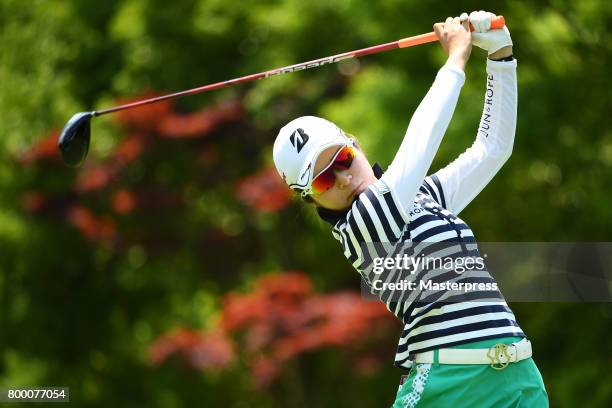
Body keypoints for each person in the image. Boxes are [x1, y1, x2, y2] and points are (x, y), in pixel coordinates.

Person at [273, 10, 549, 407]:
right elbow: (419, 144)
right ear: (310, 198)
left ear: (357, 145)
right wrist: (455, 59)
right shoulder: (362, 225)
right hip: (448, 387)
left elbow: (492, 150)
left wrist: (501, 59)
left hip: (518, 377)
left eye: (344, 158)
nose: (345, 178)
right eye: (324, 179)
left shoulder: (422, 196)